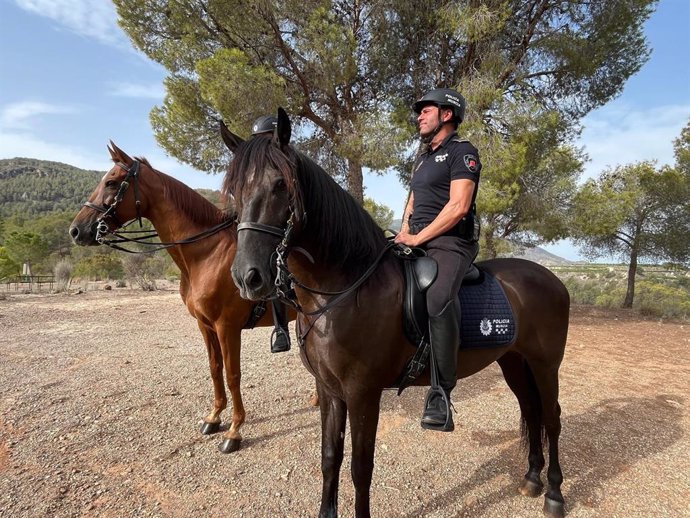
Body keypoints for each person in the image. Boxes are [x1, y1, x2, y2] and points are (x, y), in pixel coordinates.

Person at [395, 88, 481, 432]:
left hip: (450, 243)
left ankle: (441, 393)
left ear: (447, 114)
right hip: (416, 241)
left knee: (437, 297)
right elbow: (412, 202)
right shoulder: (423, 158)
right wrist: (404, 233)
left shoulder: (464, 152)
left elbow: (459, 206)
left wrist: (419, 236)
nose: (419, 115)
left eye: (425, 110)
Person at [251, 115, 291, 353]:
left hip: (287, 225)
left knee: (277, 263)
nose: (260, 145)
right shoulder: (254, 169)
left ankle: (281, 328)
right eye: (257, 139)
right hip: (262, 224)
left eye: (265, 138)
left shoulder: (285, 161)